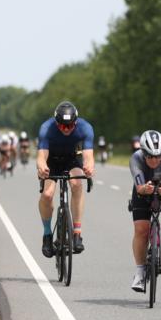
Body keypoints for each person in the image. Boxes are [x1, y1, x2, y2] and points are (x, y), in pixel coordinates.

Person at [37, 101, 95, 257]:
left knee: (76, 184)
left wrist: (89, 167)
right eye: (62, 126)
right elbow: (42, 156)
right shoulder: (46, 128)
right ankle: (47, 234)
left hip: (72, 159)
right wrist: (42, 167)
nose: (66, 129)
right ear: (56, 123)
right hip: (52, 161)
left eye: (70, 126)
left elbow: (88, 156)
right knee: (47, 194)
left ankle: (77, 232)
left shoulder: (85, 128)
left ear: (76, 122)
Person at [128, 130, 161, 291]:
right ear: (143, 153)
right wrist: (145, 189)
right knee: (141, 230)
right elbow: (139, 187)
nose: (154, 160)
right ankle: (140, 272)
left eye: (158, 156)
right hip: (144, 186)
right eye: (150, 156)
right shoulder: (135, 159)